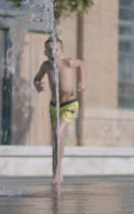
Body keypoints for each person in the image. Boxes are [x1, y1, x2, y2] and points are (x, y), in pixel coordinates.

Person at [33, 36, 85, 185]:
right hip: (54, 106)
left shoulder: (68, 63)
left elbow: (81, 64)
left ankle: (58, 172)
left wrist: (82, 81)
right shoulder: (45, 66)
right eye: (49, 50)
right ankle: (56, 172)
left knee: (58, 132)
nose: (52, 53)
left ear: (61, 51)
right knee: (56, 139)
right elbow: (36, 78)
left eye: (56, 50)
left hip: (70, 105)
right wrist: (37, 85)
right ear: (45, 52)